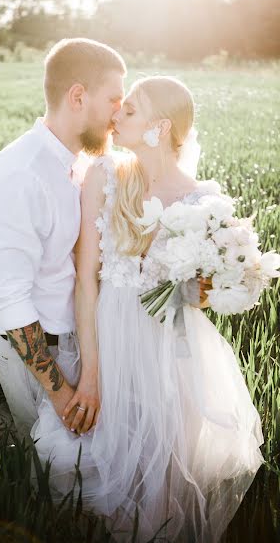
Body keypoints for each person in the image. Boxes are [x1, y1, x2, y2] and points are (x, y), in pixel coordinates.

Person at [31, 76, 265, 542]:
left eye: (130, 110)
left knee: (169, 462)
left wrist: (206, 289)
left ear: (159, 127)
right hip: (112, 336)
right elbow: (86, 282)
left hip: (174, 347)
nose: (115, 116)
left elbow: (201, 295)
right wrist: (91, 375)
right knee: (112, 455)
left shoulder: (206, 202)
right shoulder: (104, 177)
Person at [0, 38, 126, 443]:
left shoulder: (80, 164)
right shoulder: (20, 175)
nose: (119, 113)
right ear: (78, 96)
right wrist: (60, 393)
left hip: (78, 348)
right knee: (52, 489)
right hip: (40, 362)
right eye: (113, 99)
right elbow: (8, 298)